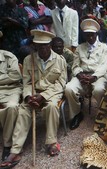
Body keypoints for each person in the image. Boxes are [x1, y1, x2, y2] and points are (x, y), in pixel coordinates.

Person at [0, 29, 67, 168]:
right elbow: (26, 83)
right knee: (23, 111)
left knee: (51, 107)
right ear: (34, 46)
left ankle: (51, 142)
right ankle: (15, 150)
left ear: (50, 45)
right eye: (39, 46)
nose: (42, 49)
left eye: (45, 45)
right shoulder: (28, 60)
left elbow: (60, 85)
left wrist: (43, 96)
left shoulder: (60, 61)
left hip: (51, 94)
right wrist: (28, 97)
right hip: (33, 93)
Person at [65, 19, 107, 130]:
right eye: (87, 35)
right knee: (69, 89)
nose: (90, 38)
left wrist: (93, 77)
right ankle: (76, 114)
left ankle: (102, 114)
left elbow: (104, 65)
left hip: (98, 76)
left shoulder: (104, 47)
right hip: (82, 76)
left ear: (96, 34)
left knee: (99, 90)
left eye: (92, 35)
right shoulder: (79, 48)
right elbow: (75, 65)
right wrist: (80, 75)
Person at [0, 31, 22, 161]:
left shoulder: (9, 57)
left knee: (12, 107)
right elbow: (9, 76)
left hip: (11, 89)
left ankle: (8, 144)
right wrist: (4, 77)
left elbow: (15, 76)